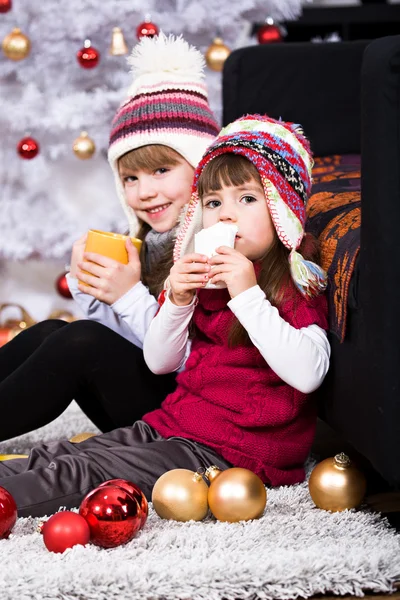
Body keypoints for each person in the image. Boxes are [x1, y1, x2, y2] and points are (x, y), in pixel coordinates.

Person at [0, 115, 330, 518]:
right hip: (174, 422)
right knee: (64, 452)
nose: (226, 215)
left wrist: (247, 295)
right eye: (213, 203)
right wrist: (177, 299)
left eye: (246, 199)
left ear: (280, 208)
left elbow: (310, 373)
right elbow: (160, 361)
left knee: (83, 472)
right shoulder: (203, 274)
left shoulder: (293, 280)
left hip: (230, 451)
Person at [0, 33, 219, 439]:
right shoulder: (155, 243)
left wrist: (127, 296)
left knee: (81, 341)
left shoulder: (215, 244)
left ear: (201, 168)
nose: (145, 191)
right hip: (157, 398)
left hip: (196, 419)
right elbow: (123, 341)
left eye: (161, 171)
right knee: (54, 332)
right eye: (130, 178)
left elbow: (186, 360)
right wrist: (93, 291)